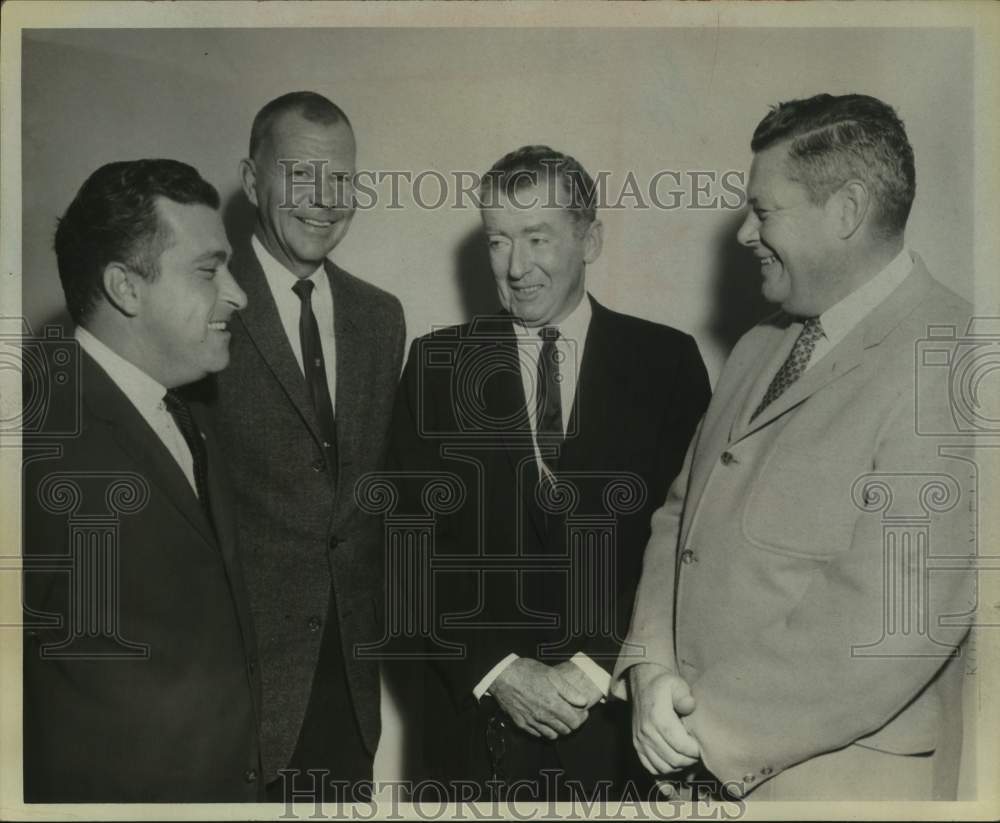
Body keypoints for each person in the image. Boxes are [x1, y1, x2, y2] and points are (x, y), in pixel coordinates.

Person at [616, 93, 975, 801]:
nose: (746, 233)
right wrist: (649, 667)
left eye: (764, 210)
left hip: (829, 786)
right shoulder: (758, 345)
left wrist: (700, 730)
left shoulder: (955, 360)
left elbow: (889, 622)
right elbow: (679, 518)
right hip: (686, 767)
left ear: (845, 210)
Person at [389, 145, 710, 798]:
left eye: (537, 238)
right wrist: (498, 670)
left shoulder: (666, 362)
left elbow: (688, 545)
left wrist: (597, 667)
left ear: (590, 238)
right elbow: (400, 548)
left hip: (620, 732)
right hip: (475, 742)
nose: (515, 266)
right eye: (497, 240)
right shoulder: (436, 365)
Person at [22, 159, 260, 801]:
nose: (237, 293)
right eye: (209, 271)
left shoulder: (192, 411)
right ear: (126, 288)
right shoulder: (33, 439)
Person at [203, 91, 405, 801]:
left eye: (343, 179)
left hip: (346, 688)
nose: (326, 200)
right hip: (229, 683)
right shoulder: (207, 305)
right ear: (253, 180)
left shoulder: (381, 318)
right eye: (300, 175)